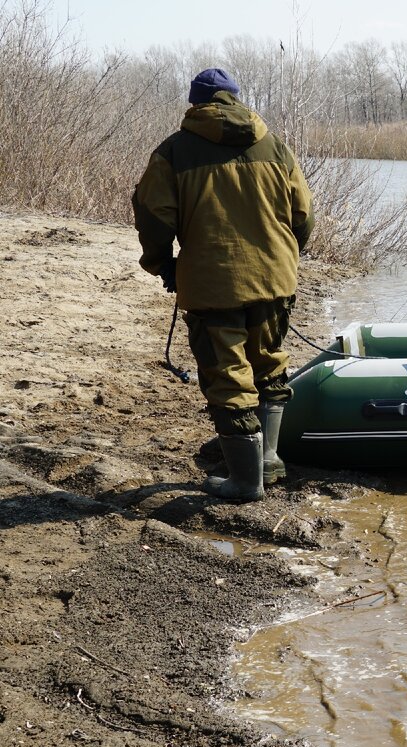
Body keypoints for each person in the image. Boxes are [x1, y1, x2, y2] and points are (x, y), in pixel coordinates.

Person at [133, 68, 313, 502]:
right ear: (235, 99)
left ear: (195, 103)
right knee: (268, 362)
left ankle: (246, 482)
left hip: (213, 285)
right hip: (275, 278)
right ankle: (266, 460)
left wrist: (163, 265)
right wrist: (285, 258)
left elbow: (154, 216)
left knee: (228, 376)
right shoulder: (275, 145)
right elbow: (302, 216)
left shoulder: (174, 151)